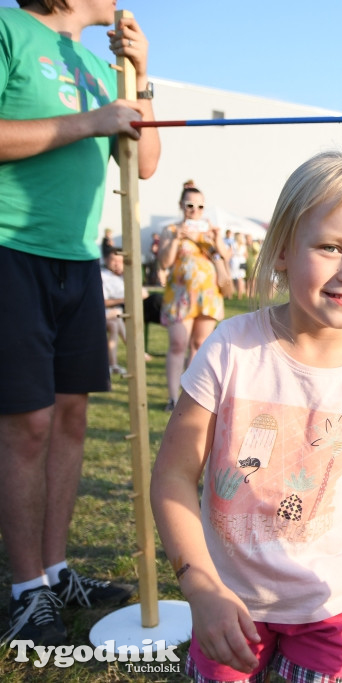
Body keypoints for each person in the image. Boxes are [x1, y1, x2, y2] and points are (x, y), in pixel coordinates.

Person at [151, 152, 342, 682]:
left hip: (336, 602)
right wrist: (199, 585)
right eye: (332, 246)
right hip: (229, 599)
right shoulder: (229, 349)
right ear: (285, 248)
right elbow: (173, 475)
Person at [0, 0, 160, 646]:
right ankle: (25, 589)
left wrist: (141, 74)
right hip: (12, 251)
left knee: (70, 418)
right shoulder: (8, 29)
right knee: (27, 424)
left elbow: (143, 162)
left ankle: (58, 569)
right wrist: (89, 121)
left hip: (78, 260)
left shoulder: (101, 65)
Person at [158, 183, 231, 411]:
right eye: (190, 206)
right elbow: (165, 262)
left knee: (200, 345)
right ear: (181, 206)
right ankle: (172, 397)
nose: (195, 211)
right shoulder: (171, 230)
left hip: (207, 295)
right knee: (178, 344)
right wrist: (176, 238)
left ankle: (192, 398)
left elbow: (226, 257)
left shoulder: (209, 231)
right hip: (180, 295)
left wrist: (217, 238)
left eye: (200, 206)